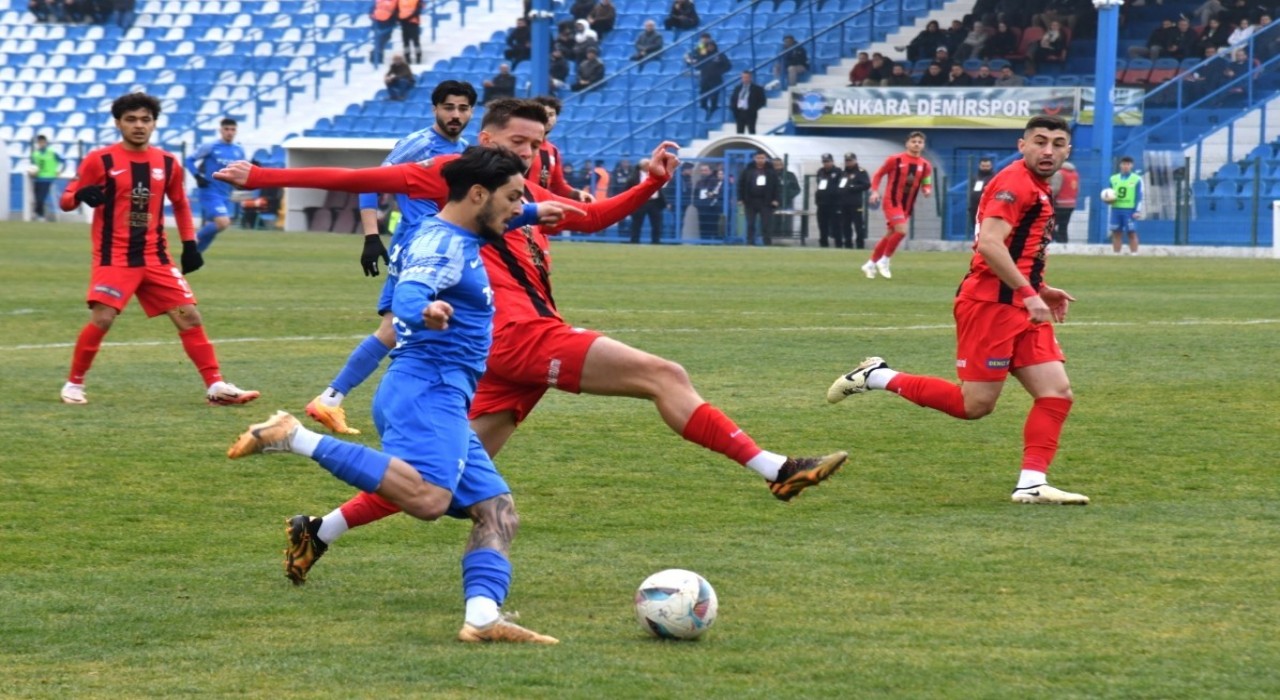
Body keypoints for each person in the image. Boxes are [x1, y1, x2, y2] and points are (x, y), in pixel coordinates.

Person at [217, 110, 845, 586]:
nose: (532, 152)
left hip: (492, 351)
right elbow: (359, 176)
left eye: (539, 144)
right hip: (518, 337)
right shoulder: (453, 178)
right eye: (519, 142)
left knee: (439, 478)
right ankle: (774, 468)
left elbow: (591, 217)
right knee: (663, 373)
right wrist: (264, 176)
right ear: (487, 138)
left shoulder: (522, 197)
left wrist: (651, 183)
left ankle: (318, 529)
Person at [228, 146, 562, 645]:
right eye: (514, 198)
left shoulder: (451, 229)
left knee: (497, 510)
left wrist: (535, 210)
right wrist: (422, 311)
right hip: (427, 390)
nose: (519, 209)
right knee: (428, 499)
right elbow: (411, 292)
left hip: (436, 391)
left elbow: (483, 230)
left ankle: (483, 618)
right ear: (477, 195)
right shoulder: (444, 245)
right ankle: (291, 437)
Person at [828, 115, 1088, 506]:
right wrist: (1028, 293)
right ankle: (877, 376)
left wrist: (1040, 289)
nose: (1048, 150)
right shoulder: (1015, 183)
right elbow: (990, 245)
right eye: (1039, 141)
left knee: (1057, 392)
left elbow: (1016, 249)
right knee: (974, 406)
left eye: (1057, 143)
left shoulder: (1037, 185)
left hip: (1020, 303)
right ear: (1022, 145)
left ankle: (1031, 483)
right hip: (991, 307)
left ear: (1067, 151)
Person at [57, 93, 258, 407]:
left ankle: (215, 385)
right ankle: (74, 384)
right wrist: (81, 194)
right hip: (116, 259)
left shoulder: (167, 163)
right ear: (118, 123)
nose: (139, 126)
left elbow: (179, 203)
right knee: (104, 318)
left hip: (156, 261)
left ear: (154, 123)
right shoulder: (100, 159)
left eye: (145, 120)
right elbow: (66, 200)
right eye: (131, 119)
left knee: (187, 316)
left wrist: (190, 244)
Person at [303, 81, 477, 434]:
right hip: (420, 249)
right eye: (448, 107)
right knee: (437, 327)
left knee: (400, 329)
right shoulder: (419, 144)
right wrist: (371, 236)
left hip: (442, 249)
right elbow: (370, 182)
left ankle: (331, 399)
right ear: (434, 109)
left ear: (472, 111)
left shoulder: (466, 152)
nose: (455, 114)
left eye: (462, 108)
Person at [861, 132, 933, 279]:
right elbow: (878, 174)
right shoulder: (895, 159)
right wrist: (874, 191)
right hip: (892, 201)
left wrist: (927, 189)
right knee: (902, 230)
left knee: (891, 234)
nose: (917, 144)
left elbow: (926, 180)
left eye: (920, 142)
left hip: (907, 205)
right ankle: (885, 260)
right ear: (907, 143)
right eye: (914, 141)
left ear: (923, 145)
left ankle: (870, 264)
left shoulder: (925, 165)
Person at [185, 117, 245, 253]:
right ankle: (192, 240)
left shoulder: (239, 151)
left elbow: (240, 171)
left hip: (225, 194)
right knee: (223, 222)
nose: (229, 132)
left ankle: (193, 258)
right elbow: (189, 160)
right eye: (226, 129)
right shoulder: (210, 147)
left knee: (212, 229)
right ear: (221, 130)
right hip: (209, 191)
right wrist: (197, 176)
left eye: (232, 130)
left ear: (236, 132)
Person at [529, 95, 594, 203]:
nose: (547, 119)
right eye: (543, 114)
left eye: (551, 114)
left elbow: (558, 186)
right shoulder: (522, 145)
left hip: (540, 210)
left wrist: (577, 193)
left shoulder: (553, 151)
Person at [737, 151, 781, 246]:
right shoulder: (748, 170)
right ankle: (750, 242)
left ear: (765, 159)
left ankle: (767, 243)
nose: (760, 160)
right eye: (758, 158)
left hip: (766, 202)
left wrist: (776, 199)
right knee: (750, 223)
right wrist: (740, 198)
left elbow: (776, 186)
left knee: (766, 224)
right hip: (750, 201)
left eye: (762, 158)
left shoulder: (771, 171)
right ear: (755, 158)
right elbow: (741, 184)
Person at [687, 35, 731, 119]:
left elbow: (728, 66)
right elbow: (697, 63)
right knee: (703, 94)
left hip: (716, 79)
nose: (710, 47)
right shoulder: (703, 55)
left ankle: (714, 108)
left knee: (714, 95)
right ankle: (703, 108)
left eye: (712, 46)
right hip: (705, 78)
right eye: (709, 46)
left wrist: (720, 71)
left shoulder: (720, 55)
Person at [1108, 156, 1143, 255]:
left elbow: (1139, 195)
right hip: (1116, 209)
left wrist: (1137, 210)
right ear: (1120, 165)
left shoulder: (1136, 179)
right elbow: (1110, 193)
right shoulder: (1113, 179)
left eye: (1128, 164)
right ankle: (1116, 254)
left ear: (1132, 165)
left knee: (1131, 232)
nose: (1126, 166)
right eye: (1124, 164)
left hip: (1129, 210)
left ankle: (1134, 254)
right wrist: (1108, 200)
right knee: (1116, 232)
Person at [627, 157, 666, 244]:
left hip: (654, 202)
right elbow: (628, 189)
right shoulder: (634, 177)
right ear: (642, 166)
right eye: (647, 165)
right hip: (640, 203)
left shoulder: (656, 174)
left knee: (656, 224)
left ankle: (656, 242)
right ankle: (634, 241)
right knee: (637, 223)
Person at [837, 152, 870, 249]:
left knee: (858, 225)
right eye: (846, 161)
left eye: (850, 160)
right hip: (844, 203)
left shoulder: (861, 172)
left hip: (855, 203)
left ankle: (860, 244)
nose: (848, 162)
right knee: (845, 225)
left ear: (855, 160)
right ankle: (848, 244)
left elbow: (866, 185)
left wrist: (854, 187)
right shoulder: (843, 173)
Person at [29, 134, 65, 222]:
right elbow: (32, 166)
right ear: (37, 143)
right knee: (37, 197)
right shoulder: (35, 154)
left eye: (43, 142)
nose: (41, 144)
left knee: (41, 197)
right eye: (39, 142)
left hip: (48, 177)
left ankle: (40, 215)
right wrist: (32, 172)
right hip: (37, 178)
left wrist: (59, 171)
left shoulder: (52, 152)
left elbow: (63, 161)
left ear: (46, 143)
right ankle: (37, 213)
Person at [813, 153, 842, 248]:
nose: (826, 163)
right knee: (822, 225)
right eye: (824, 161)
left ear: (832, 161)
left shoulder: (838, 172)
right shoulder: (820, 172)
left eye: (828, 161)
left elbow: (839, 186)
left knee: (836, 225)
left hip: (834, 203)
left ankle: (838, 244)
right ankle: (823, 243)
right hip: (822, 203)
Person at [1048, 160, 1077, 243]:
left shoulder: (1059, 173)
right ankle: (1065, 245)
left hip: (1060, 204)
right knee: (1063, 227)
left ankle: (1060, 242)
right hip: (1071, 204)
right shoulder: (1074, 173)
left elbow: (1056, 189)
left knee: (1048, 226)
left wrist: (1045, 192)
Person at [729, 70, 766, 135]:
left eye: (747, 77)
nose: (745, 79)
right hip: (739, 113)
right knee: (739, 132)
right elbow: (733, 99)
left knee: (751, 131)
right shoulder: (737, 88)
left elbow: (762, 101)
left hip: (750, 113)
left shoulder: (757, 89)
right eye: (743, 77)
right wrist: (734, 109)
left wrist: (754, 108)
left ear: (750, 78)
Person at [692, 162, 722, 240]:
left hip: (712, 208)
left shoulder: (714, 181)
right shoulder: (699, 182)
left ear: (710, 171)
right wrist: (697, 204)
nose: (703, 172)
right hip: (701, 208)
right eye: (702, 170)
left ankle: (714, 242)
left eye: (705, 170)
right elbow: (695, 194)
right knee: (702, 226)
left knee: (713, 227)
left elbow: (717, 193)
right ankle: (703, 241)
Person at [967, 156, 995, 230]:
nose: (985, 168)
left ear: (991, 166)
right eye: (983, 166)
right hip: (975, 208)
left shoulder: (995, 178)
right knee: (976, 229)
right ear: (979, 166)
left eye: (987, 166)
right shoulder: (975, 178)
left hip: (988, 208)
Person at [370, 0, 397, 66]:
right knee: (381, 40)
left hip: (379, 22)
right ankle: (377, 58)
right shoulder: (394, 2)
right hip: (386, 23)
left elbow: (372, 9)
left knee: (381, 40)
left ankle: (376, 56)